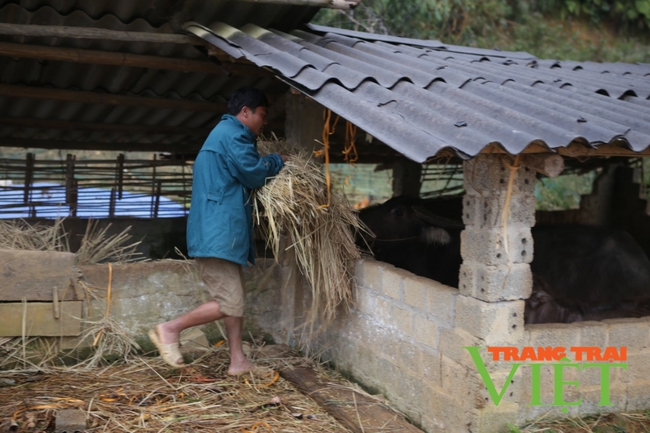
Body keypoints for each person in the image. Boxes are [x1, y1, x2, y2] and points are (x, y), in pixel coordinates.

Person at [148, 87, 286, 375]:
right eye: (262, 114)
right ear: (245, 112)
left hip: (219, 231)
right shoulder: (233, 135)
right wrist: (276, 161)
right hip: (218, 232)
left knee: (235, 299)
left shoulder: (225, 134)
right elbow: (254, 173)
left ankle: (238, 361)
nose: (264, 121)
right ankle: (170, 329)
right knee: (229, 301)